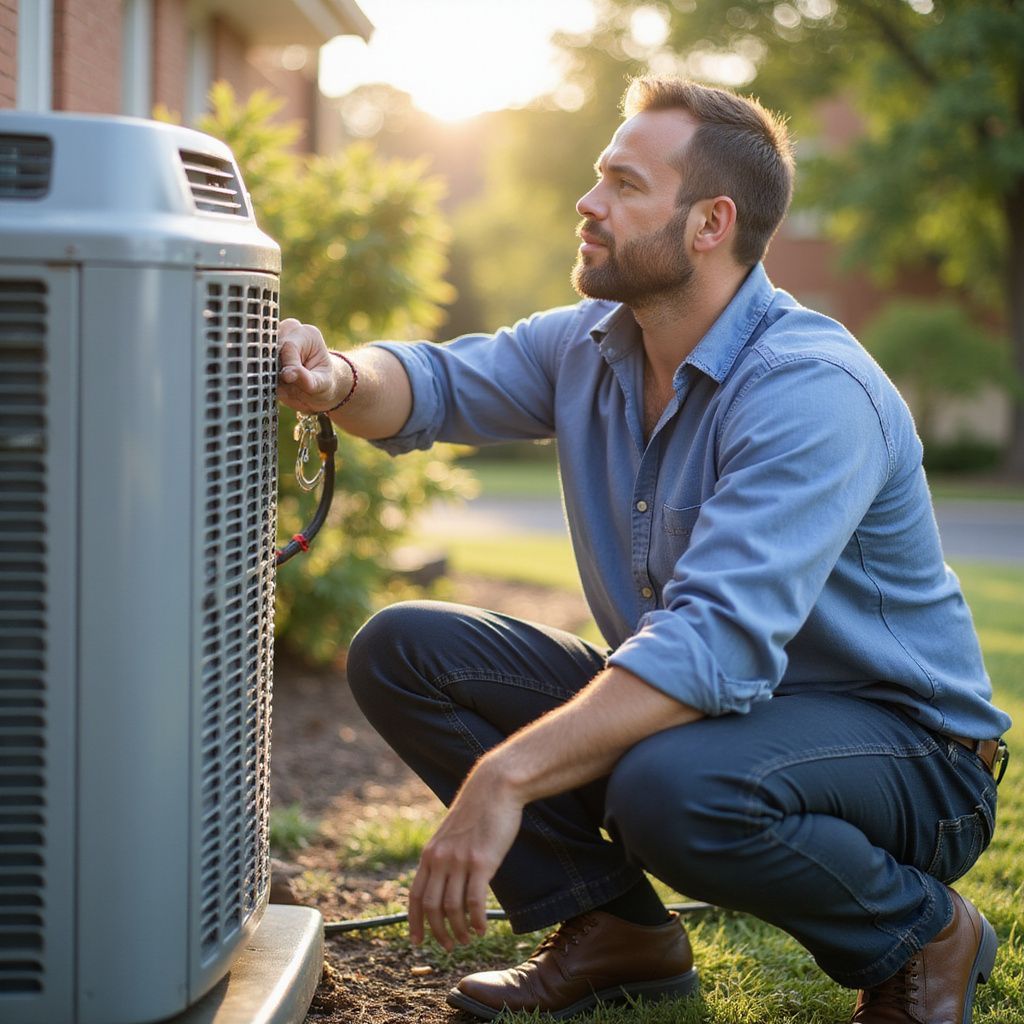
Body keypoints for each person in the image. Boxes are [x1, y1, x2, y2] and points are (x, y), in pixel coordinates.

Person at [277, 76, 1011, 1024]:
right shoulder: (590, 342)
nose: (588, 203)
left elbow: (715, 645)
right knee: (406, 648)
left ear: (710, 223)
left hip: (909, 753)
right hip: (724, 717)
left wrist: (505, 777)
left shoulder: (811, 389)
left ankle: (924, 933)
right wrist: (334, 376)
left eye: (624, 184)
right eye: (597, 178)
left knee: (671, 788)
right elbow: (429, 384)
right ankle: (615, 931)